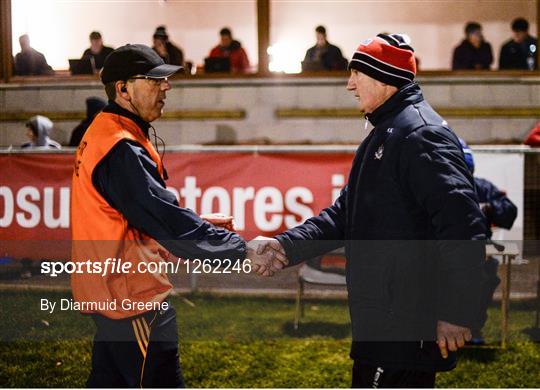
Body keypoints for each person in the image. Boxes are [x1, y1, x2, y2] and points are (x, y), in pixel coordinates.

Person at [251, 33, 487, 388]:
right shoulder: (386, 133)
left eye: (356, 74)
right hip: (383, 321)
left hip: (404, 325)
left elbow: (463, 228)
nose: (349, 85)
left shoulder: (420, 135)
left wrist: (457, 312)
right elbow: (345, 214)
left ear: (382, 77)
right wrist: (287, 246)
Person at [70, 43, 275, 387]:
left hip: (112, 295)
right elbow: (165, 220)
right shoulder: (121, 147)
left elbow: (143, 214)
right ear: (123, 89)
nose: (167, 87)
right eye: (155, 80)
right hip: (133, 300)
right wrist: (240, 249)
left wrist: (204, 226)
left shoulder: (107, 133)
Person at [460, 139, 517, 344]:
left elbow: (509, 211)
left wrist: (492, 209)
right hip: (445, 252)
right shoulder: (438, 190)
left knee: (486, 277)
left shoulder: (483, 188)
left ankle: (473, 329)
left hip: (481, 252)